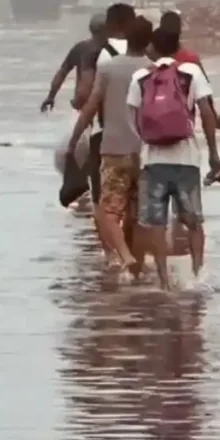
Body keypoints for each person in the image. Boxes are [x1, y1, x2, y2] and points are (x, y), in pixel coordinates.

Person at [127, 25, 220, 290]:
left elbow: (133, 119)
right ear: (177, 45)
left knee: (156, 223)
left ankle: (164, 281)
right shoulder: (190, 73)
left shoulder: (140, 77)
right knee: (193, 221)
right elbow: (206, 113)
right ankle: (197, 276)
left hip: (153, 161)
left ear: (152, 49)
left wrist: (146, 145)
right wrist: (214, 155)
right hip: (187, 159)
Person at [66, 16, 152, 272]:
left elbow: (90, 106)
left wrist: (73, 140)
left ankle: (124, 257)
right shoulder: (154, 68)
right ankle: (136, 270)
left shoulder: (109, 67)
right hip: (147, 153)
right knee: (136, 215)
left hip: (114, 149)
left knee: (107, 211)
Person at [74, 3, 135, 206]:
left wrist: (73, 141)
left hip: (109, 139)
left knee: (105, 207)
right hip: (145, 142)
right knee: (138, 209)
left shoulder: (98, 53)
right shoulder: (147, 53)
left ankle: (102, 237)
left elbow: (86, 97)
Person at [40, 13, 106, 113]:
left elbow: (62, 73)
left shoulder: (80, 48)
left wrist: (51, 96)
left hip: (83, 104)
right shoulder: (114, 50)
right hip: (105, 106)